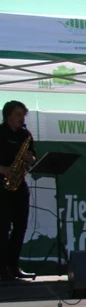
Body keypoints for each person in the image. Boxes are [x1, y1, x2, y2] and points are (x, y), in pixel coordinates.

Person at [0, 100, 35, 281]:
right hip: (1, 184)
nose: (21, 119)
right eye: (18, 115)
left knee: (21, 225)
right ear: (8, 116)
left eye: (23, 115)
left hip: (18, 183)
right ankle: (2, 268)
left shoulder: (25, 135)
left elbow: (32, 157)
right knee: (3, 226)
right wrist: (2, 168)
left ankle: (13, 265)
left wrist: (30, 158)